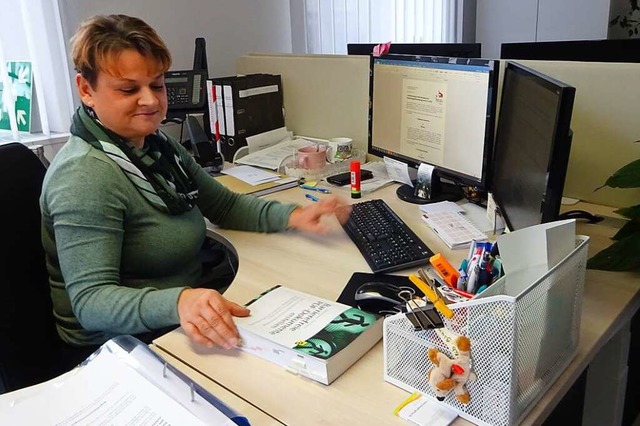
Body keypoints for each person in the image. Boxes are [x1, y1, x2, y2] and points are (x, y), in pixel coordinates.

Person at [40, 14, 350, 354]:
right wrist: (180, 302)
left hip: (181, 309)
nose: (151, 101)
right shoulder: (85, 176)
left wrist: (292, 216)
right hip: (120, 344)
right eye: (129, 89)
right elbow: (92, 303)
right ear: (86, 90)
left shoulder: (157, 147)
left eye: (157, 85)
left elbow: (224, 205)